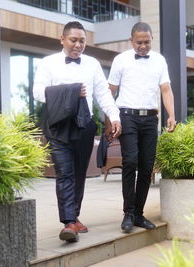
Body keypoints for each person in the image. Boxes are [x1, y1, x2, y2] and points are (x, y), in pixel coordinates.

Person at [33, 21, 122, 242]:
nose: (78, 45)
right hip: (58, 127)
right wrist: (71, 93)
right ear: (62, 40)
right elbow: (37, 92)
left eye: (82, 41)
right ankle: (68, 222)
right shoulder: (48, 63)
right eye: (73, 40)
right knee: (64, 173)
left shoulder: (91, 64)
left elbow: (102, 93)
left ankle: (75, 216)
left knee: (79, 173)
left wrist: (114, 116)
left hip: (85, 125)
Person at [107, 22, 176, 233]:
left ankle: (138, 213)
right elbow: (109, 91)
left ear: (151, 39)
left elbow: (166, 89)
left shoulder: (159, 60)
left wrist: (171, 115)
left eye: (146, 42)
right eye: (139, 42)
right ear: (131, 41)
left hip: (150, 118)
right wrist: (109, 119)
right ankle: (128, 213)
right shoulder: (121, 60)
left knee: (147, 167)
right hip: (126, 115)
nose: (143, 46)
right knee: (130, 162)